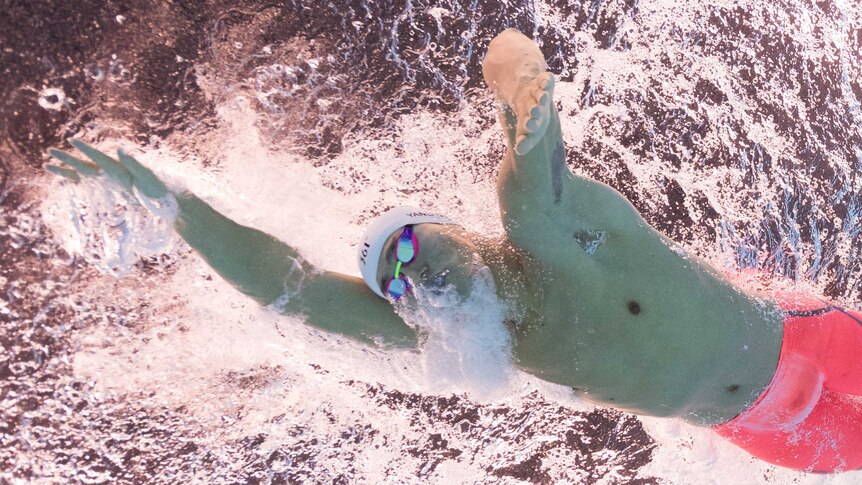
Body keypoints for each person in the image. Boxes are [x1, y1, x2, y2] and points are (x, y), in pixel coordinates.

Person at [47, 29, 862, 473]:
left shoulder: (540, 227)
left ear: (447, 226)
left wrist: (520, 86)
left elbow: (522, 101)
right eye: (391, 280)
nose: (410, 272)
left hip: (803, 340)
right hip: (765, 428)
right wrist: (180, 211)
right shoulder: (472, 344)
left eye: (407, 243)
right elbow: (287, 287)